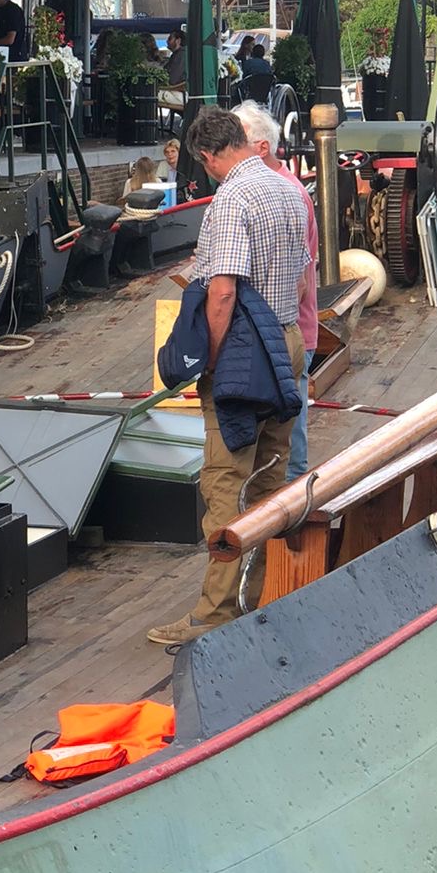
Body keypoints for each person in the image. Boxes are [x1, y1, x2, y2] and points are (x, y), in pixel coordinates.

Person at [147, 103, 309, 647]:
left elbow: (223, 291)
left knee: (225, 484)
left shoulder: (233, 197)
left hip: (244, 353)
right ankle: (258, 596)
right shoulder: (287, 187)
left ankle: (215, 614)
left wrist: (210, 359)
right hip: (287, 340)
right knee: (269, 480)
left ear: (209, 155)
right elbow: (303, 276)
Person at [235, 101, 318, 480]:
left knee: (289, 443)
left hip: (286, 331)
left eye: (235, 142)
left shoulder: (286, 193)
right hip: (281, 330)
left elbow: (297, 282)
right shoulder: (280, 188)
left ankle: (295, 506)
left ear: (261, 147)